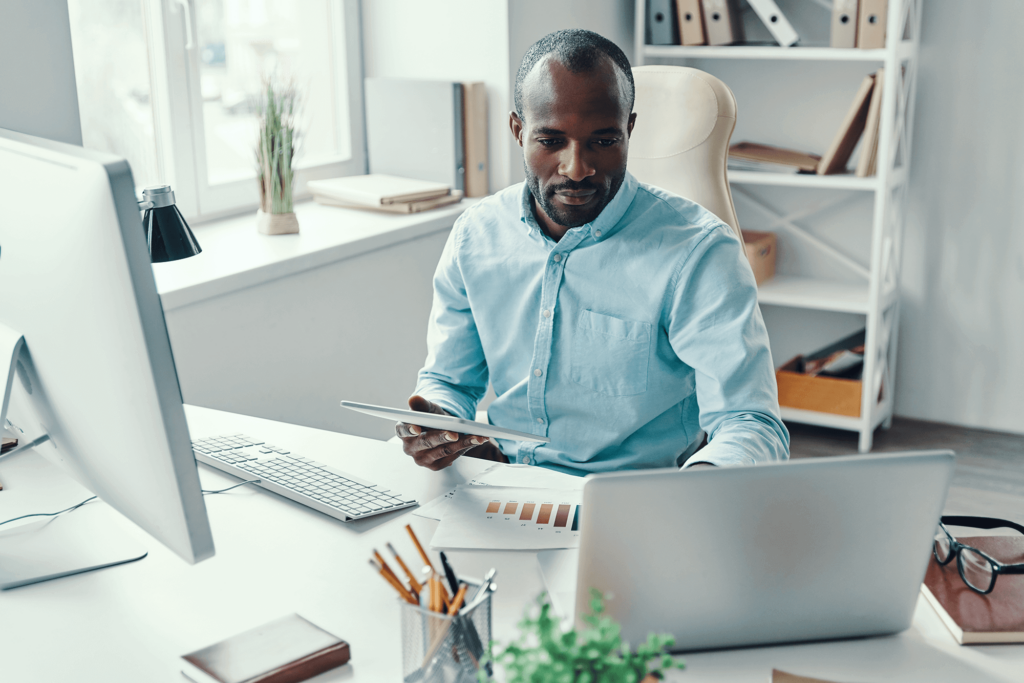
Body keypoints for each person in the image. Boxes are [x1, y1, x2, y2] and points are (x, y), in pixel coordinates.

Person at [396, 29, 789, 475]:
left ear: (629, 130)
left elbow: (750, 421)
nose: (577, 168)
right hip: (499, 485)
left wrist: (703, 483)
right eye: (551, 141)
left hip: (636, 501)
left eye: (604, 141)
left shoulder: (698, 252)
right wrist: (438, 425)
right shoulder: (476, 235)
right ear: (518, 131)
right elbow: (448, 381)